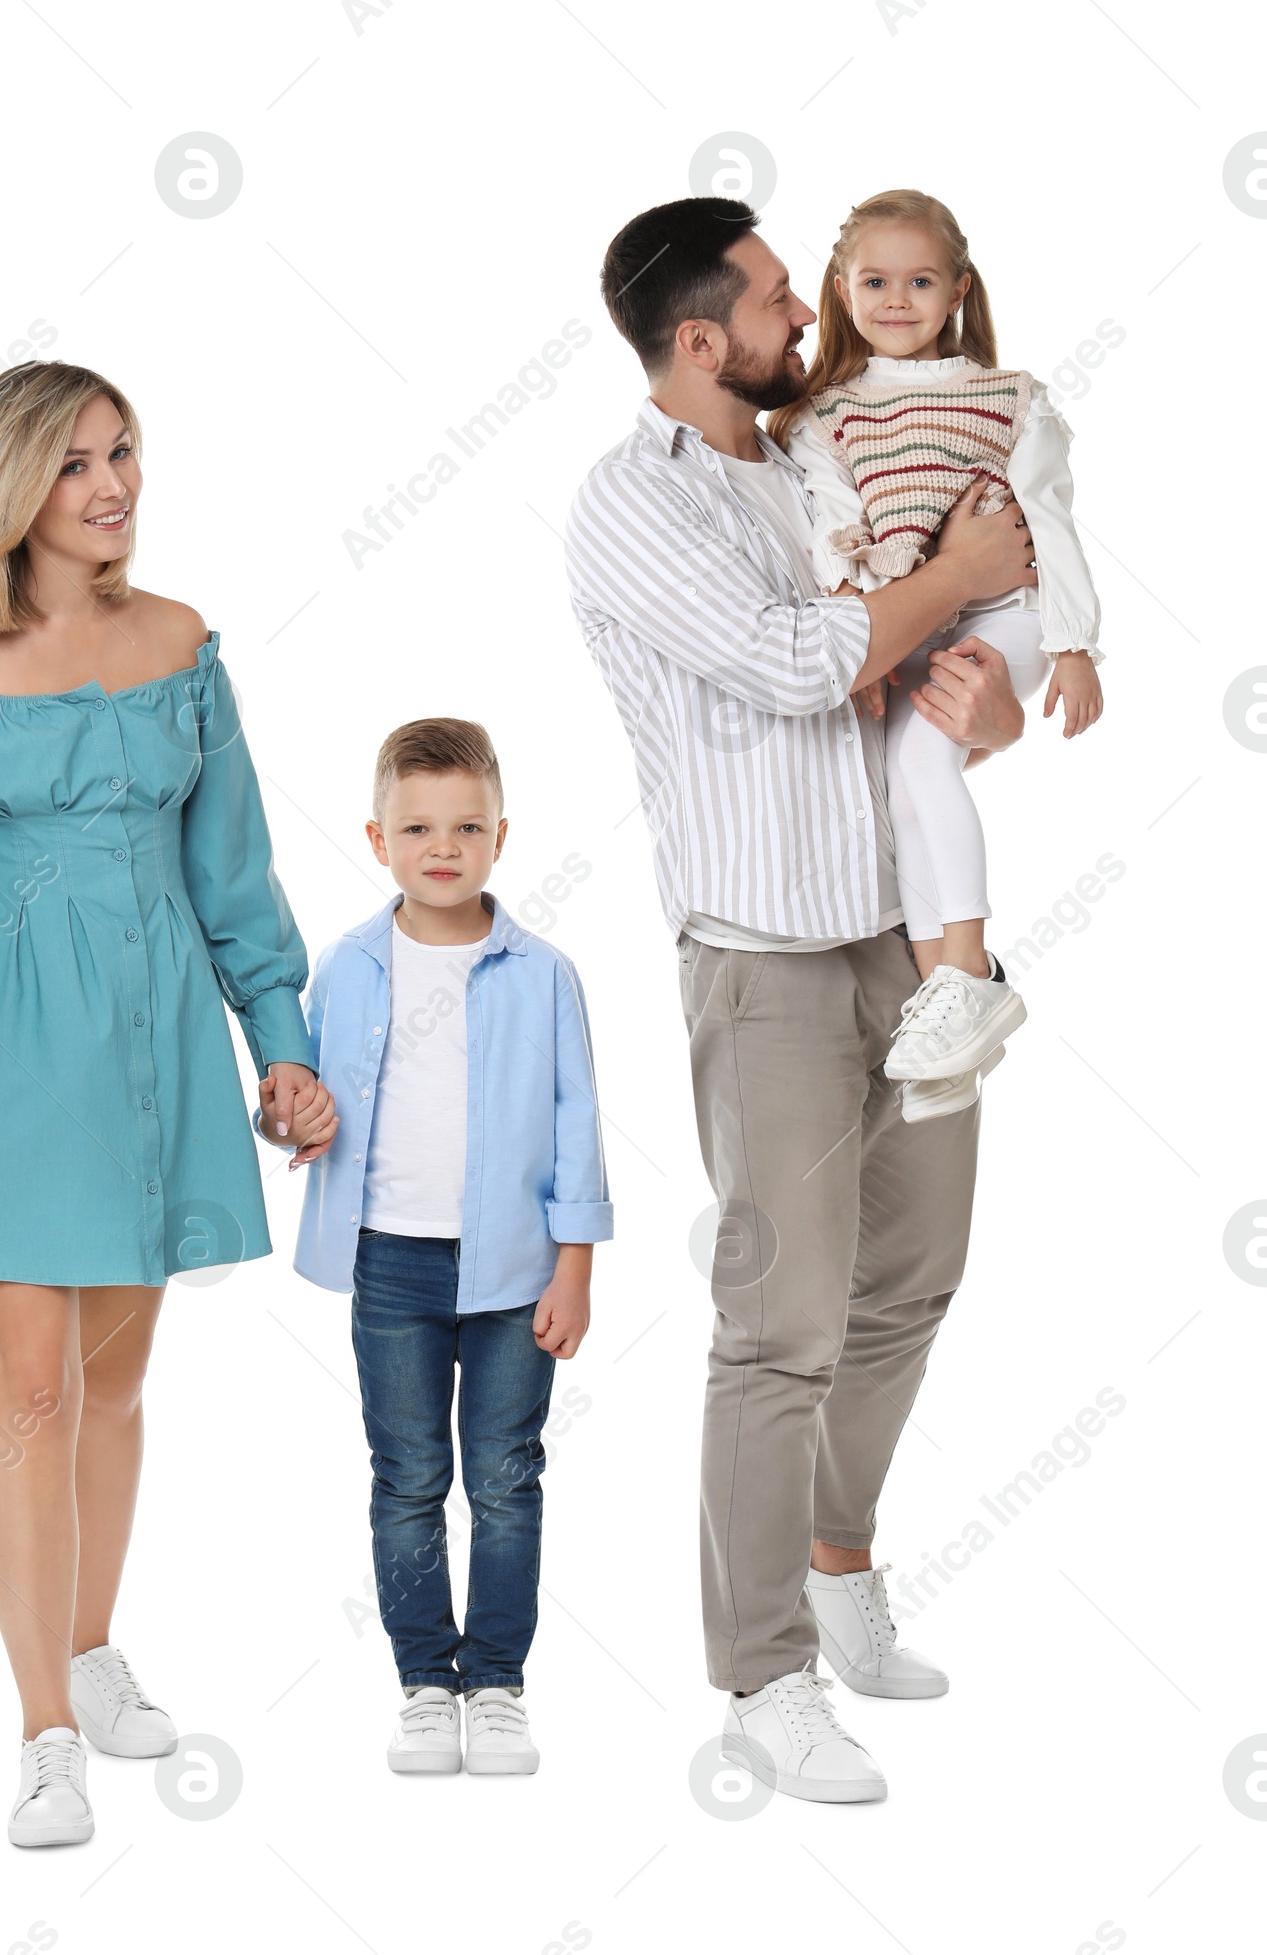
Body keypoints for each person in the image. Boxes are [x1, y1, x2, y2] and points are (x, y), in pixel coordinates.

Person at [566, 197, 1035, 1803]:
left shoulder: (832, 458)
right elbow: (789, 660)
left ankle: (840, 1560)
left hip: (912, 949)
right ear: (700, 339)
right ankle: (758, 1671)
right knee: (780, 1324)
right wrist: (960, 567)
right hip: (760, 960)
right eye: (776, 298)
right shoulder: (628, 504)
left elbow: (921, 670)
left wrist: (990, 701)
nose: (807, 313)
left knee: (913, 1277)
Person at [0, 361, 323, 1846]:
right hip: (5, 1054)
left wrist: (281, 1042)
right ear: (12, 488)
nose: (112, 486)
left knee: (113, 1386)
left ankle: (93, 1645)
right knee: (30, 1391)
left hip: (160, 1044)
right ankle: (42, 1726)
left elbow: (233, 874)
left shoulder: (181, 641)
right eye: (75, 464)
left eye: (123, 453)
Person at [254, 719, 612, 1777]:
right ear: (377, 836)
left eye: (465, 825)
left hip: (513, 1268)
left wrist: (575, 1262)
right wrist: (288, 1118)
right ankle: (424, 1679)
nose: (441, 846)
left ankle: (495, 1681)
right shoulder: (350, 964)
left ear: (501, 835)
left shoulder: (544, 974)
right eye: (417, 826)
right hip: (391, 1264)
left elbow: (578, 1119)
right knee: (407, 1474)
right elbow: (293, 1102)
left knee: (505, 1475)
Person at [768, 188, 1105, 1103]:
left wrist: (1073, 644)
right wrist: (862, 646)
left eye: (921, 281)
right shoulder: (824, 417)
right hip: (913, 621)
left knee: (921, 759)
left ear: (958, 289)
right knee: (905, 791)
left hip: (1009, 614)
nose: (897, 300)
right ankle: (943, 1013)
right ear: (841, 288)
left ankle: (966, 976)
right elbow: (836, 537)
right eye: (875, 280)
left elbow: (1053, 520)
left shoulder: (1008, 398)